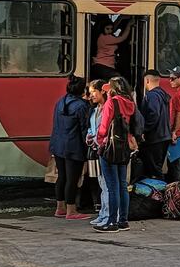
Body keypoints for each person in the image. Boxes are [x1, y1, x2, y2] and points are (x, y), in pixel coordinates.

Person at [94, 77, 136, 233]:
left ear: (112, 89)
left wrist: (99, 141)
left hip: (110, 147)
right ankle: (123, 221)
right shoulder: (130, 103)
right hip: (124, 147)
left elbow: (104, 126)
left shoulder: (112, 103)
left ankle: (111, 222)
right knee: (122, 185)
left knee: (112, 187)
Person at [49, 76, 90, 220]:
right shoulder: (81, 106)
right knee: (72, 179)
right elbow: (84, 128)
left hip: (58, 144)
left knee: (62, 177)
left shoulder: (61, 101)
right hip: (74, 147)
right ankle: (71, 210)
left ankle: (60, 208)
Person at [138, 70, 172, 180]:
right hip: (164, 136)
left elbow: (154, 114)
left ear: (147, 80)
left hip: (154, 137)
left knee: (154, 170)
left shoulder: (151, 96)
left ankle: (159, 193)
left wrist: (144, 129)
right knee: (157, 166)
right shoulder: (163, 94)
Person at [86, 80, 109, 227]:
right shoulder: (95, 110)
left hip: (106, 150)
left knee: (107, 184)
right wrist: (89, 136)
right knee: (101, 182)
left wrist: (97, 138)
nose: (91, 95)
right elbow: (92, 128)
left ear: (103, 91)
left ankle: (108, 215)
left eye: (94, 91)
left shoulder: (108, 108)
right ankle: (103, 213)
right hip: (97, 149)